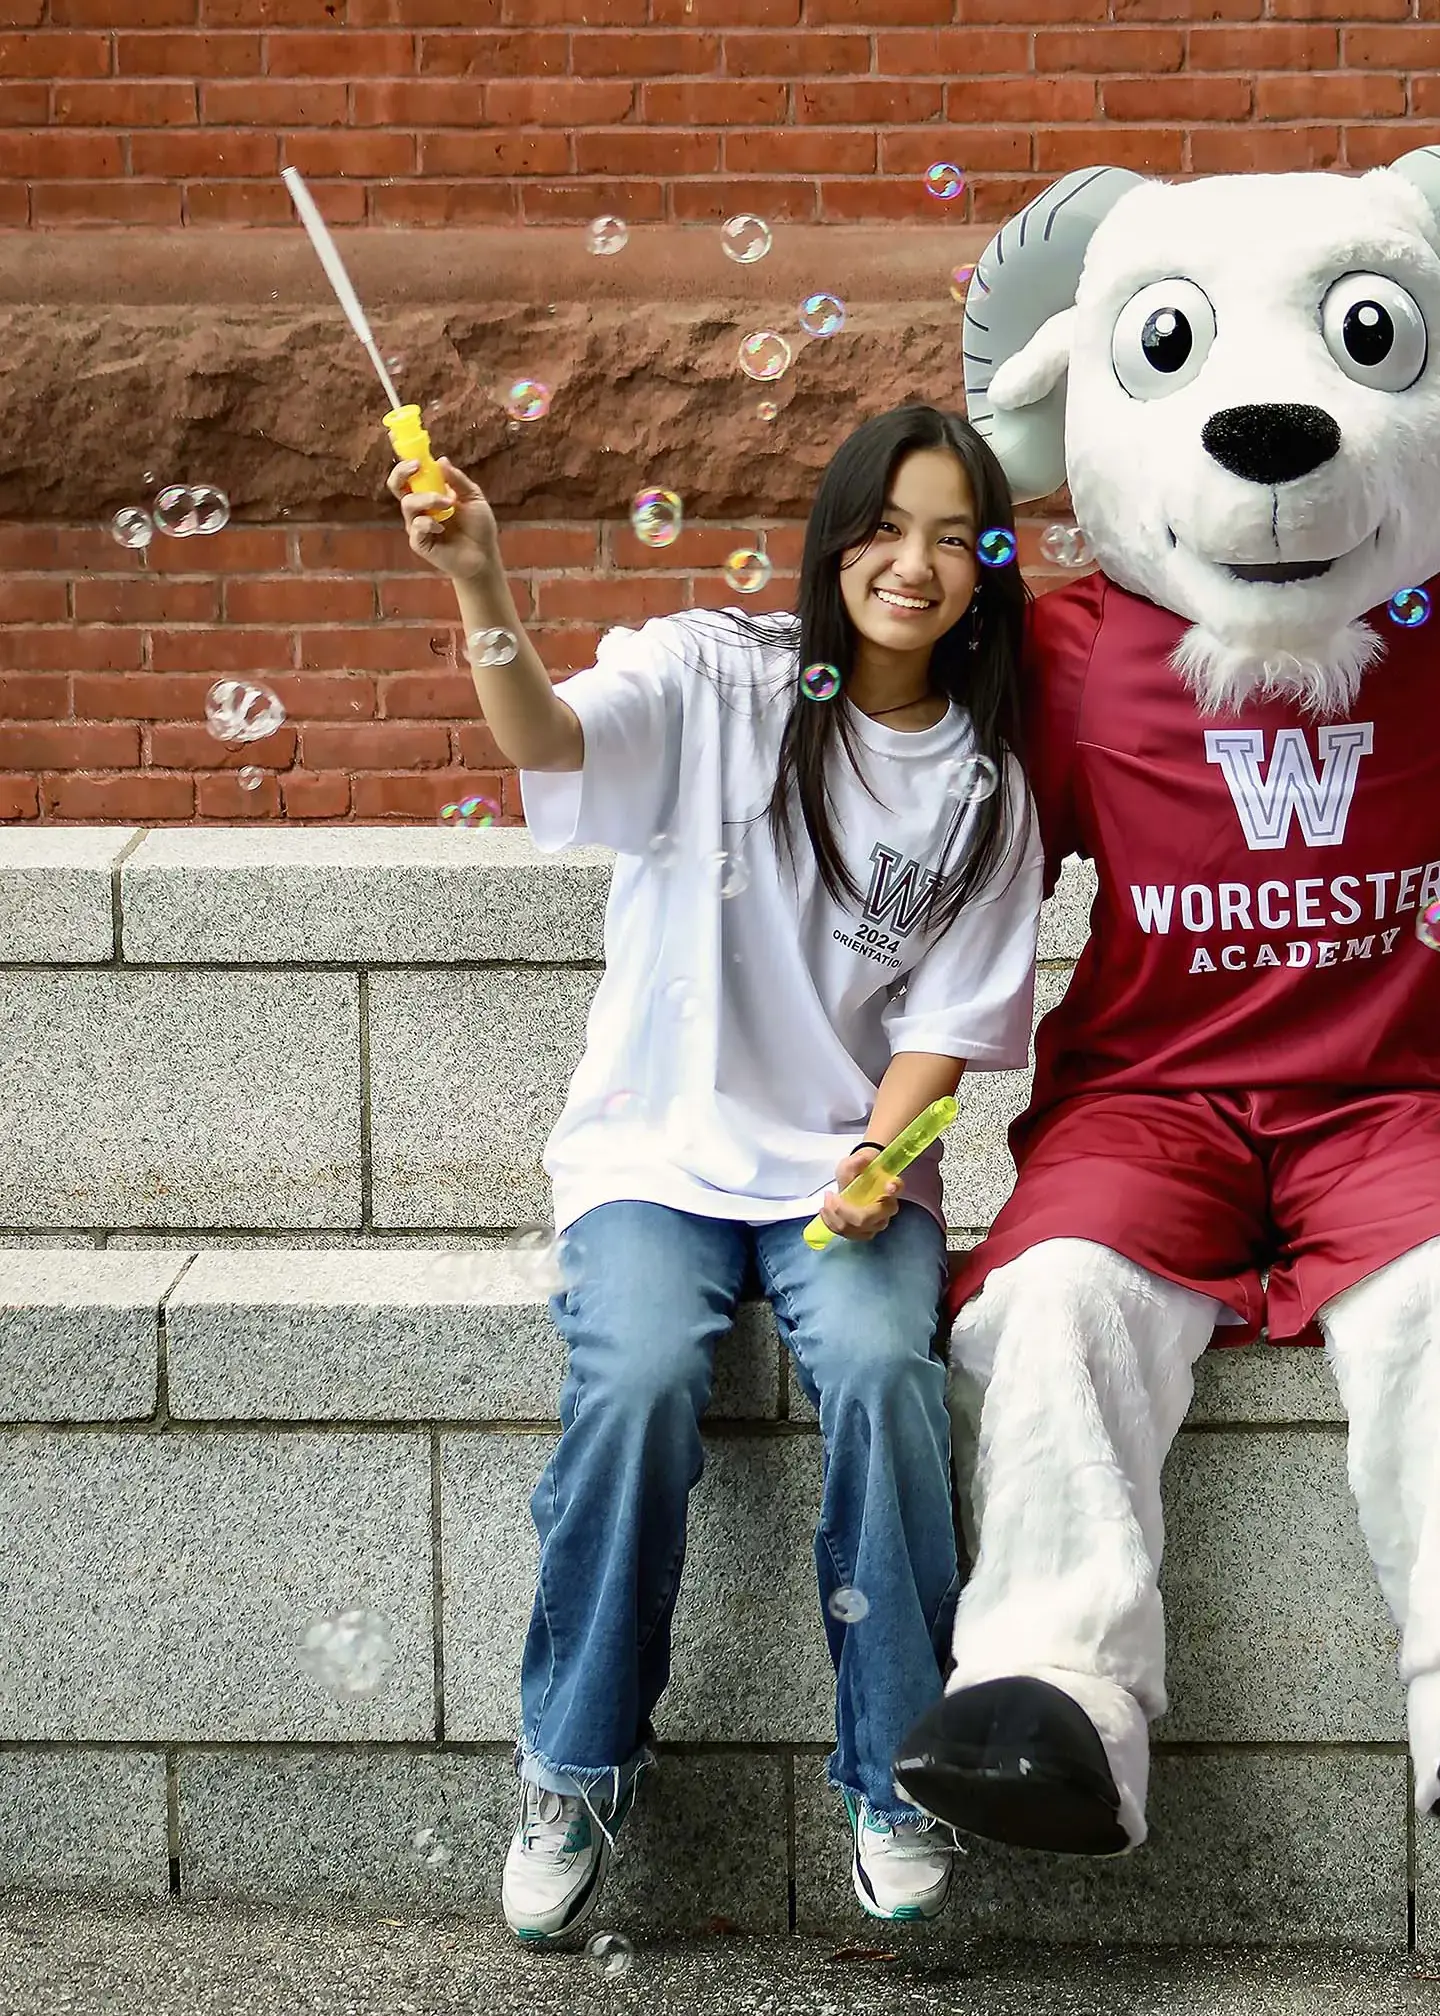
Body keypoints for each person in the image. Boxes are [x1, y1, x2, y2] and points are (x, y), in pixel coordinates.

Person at [390, 401, 1044, 1943]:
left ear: (988, 576)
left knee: (888, 1368)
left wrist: (882, 1163)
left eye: (956, 539)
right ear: (833, 538)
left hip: (844, 1168)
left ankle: (895, 1771)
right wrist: (480, 581)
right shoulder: (710, 675)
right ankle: (574, 1761)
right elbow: (545, 742)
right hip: (652, 1148)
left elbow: (939, 1035)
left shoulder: (988, 787)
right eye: (886, 528)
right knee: (635, 1376)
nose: (915, 564)